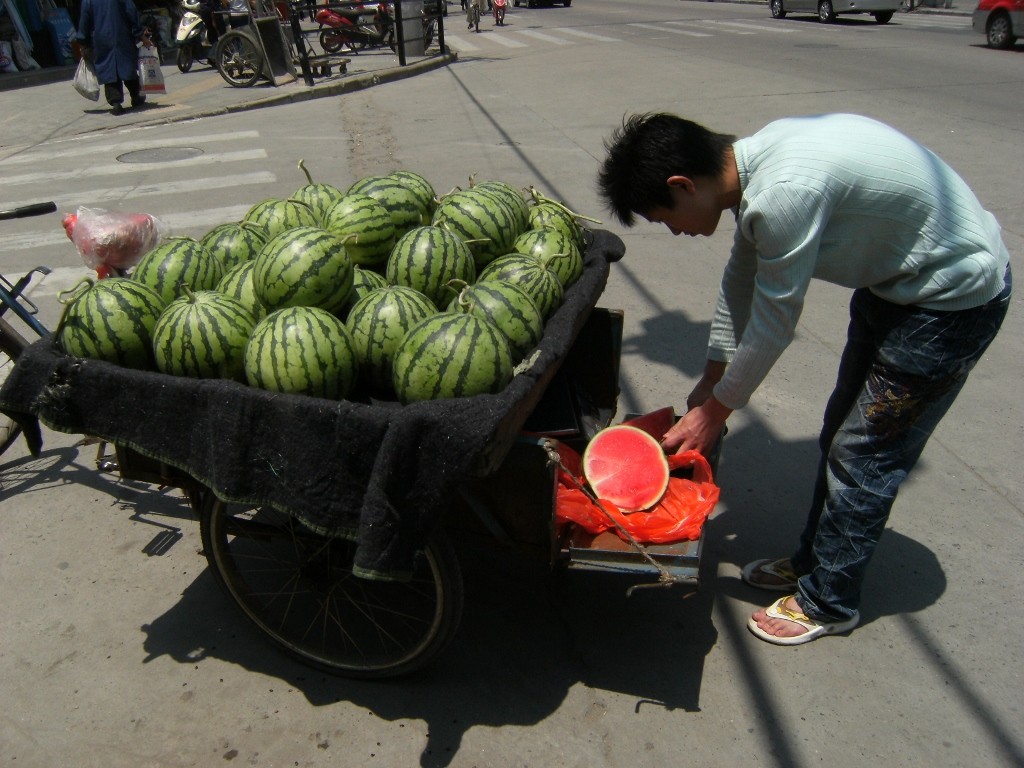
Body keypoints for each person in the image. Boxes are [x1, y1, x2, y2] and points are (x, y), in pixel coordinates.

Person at [597, 112, 1012, 645]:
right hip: (898, 283)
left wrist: (716, 410)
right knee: (840, 429)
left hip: (950, 300)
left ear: (683, 184)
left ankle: (830, 601)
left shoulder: (783, 193)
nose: (675, 231)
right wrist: (712, 377)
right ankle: (816, 563)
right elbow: (740, 280)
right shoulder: (756, 166)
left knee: (864, 452)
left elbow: (774, 323)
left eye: (665, 218)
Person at [77, 0, 151, 115]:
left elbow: (84, 21)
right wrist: (140, 34)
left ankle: (115, 101)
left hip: (101, 39)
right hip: (122, 36)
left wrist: (83, 42)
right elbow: (131, 13)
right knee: (127, 66)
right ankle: (137, 95)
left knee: (108, 70)